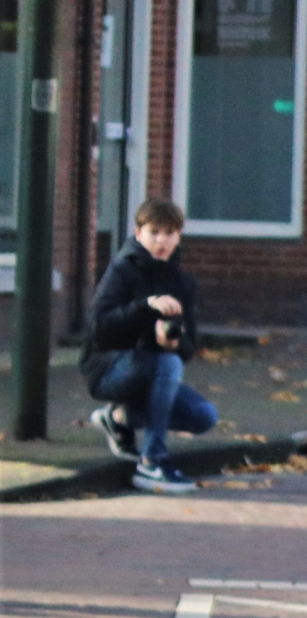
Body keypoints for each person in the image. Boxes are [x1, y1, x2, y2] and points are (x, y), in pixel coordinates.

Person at [83, 196, 218, 495]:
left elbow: (188, 347)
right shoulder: (121, 271)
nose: (161, 240)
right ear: (138, 231)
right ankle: (152, 460)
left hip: (155, 373)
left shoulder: (183, 283)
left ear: (178, 236)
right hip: (108, 370)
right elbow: (98, 330)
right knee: (168, 364)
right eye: (154, 232)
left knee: (204, 416)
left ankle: (118, 418)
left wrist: (170, 342)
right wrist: (146, 307)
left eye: (169, 233)